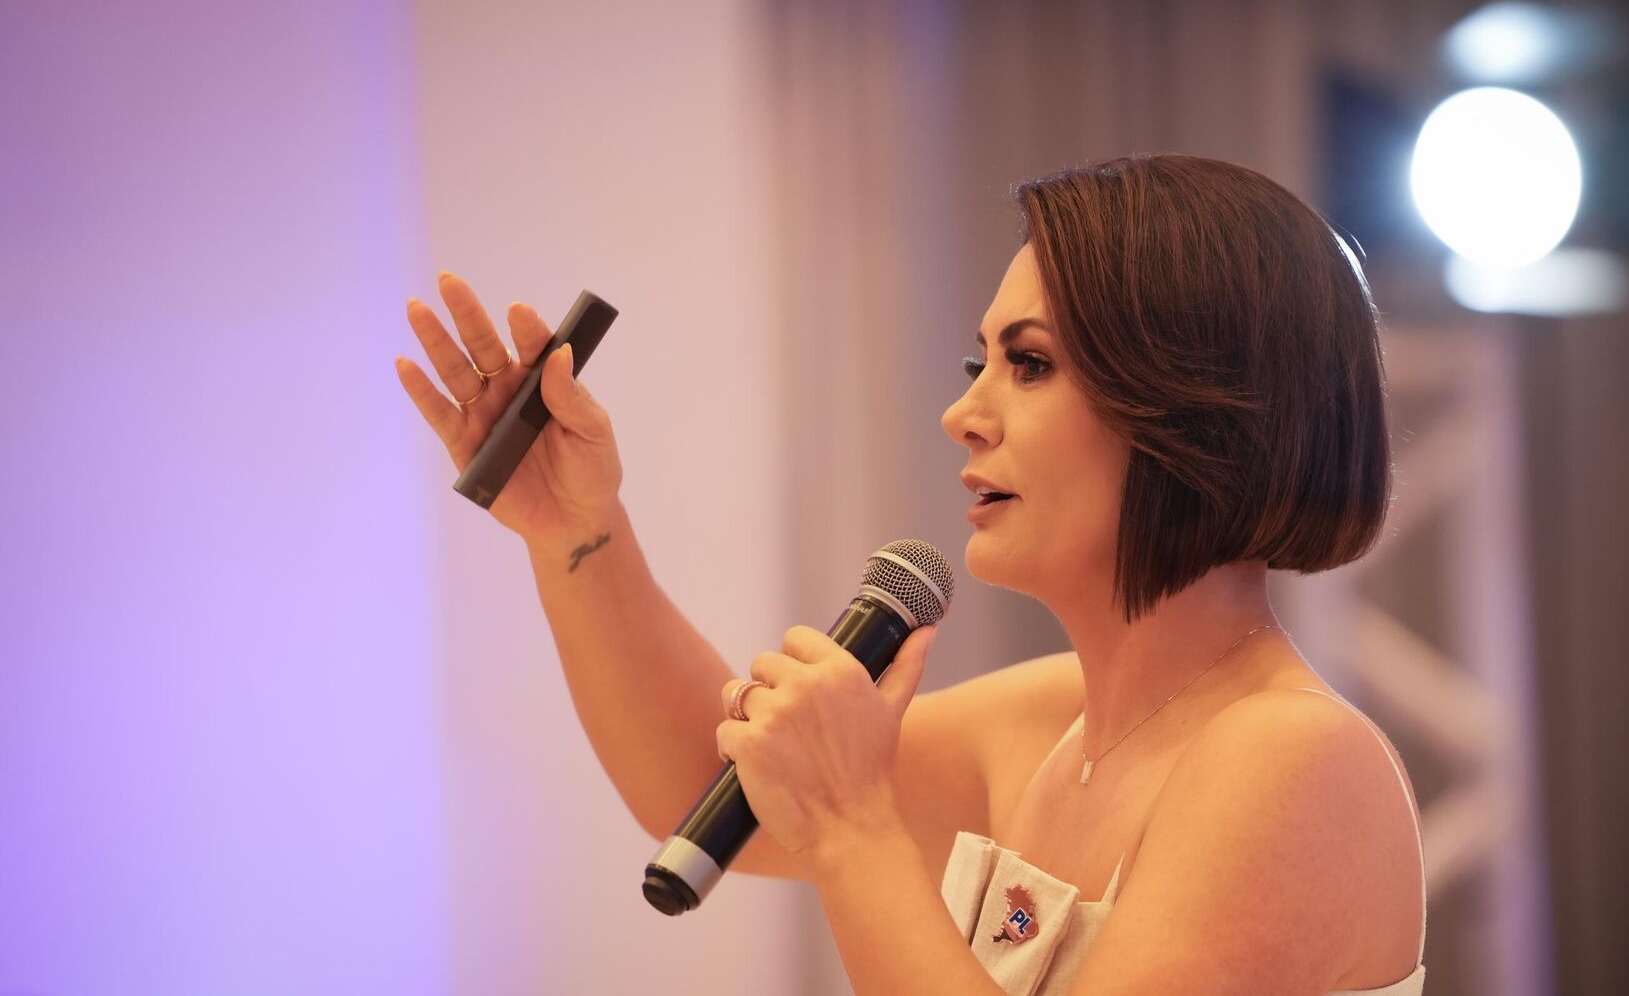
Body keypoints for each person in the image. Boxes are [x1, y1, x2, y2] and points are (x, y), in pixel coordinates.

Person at [396, 153, 1426, 994]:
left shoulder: (1292, 757)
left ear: (1191, 409)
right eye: (980, 366)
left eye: (1029, 364)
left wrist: (854, 826)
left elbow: (825, 814)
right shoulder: (1059, 721)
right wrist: (578, 530)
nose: (963, 415)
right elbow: (697, 785)